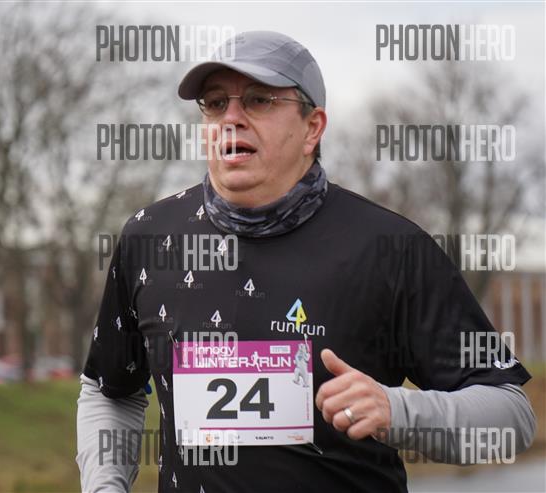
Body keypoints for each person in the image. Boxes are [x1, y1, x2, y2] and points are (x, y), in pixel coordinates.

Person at [76, 31, 536, 492]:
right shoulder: (149, 238)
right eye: (215, 103)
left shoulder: (392, 248)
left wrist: (398, 412)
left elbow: (511, 414)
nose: (231, 118)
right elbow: (108, 389)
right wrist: (103, 485)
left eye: (258, 100)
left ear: (313, 127)